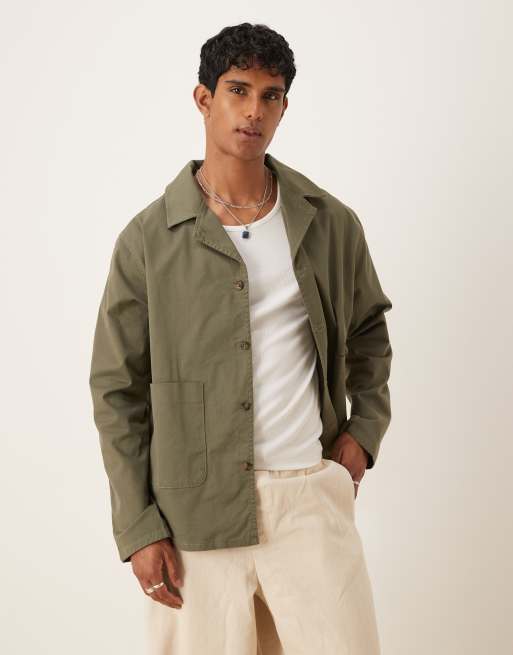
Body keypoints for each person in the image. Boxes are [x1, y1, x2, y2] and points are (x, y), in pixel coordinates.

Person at [89, 21, 393, 654]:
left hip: (308, 498)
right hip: (194, 519)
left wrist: (363, 434)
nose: (254, 111)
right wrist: (139, 526)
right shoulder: (148, 241)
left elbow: (369, 331)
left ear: (284, 106)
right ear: (204, 99)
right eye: (238, 90)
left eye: (270, 95)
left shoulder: (329, 223)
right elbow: (118, 390)